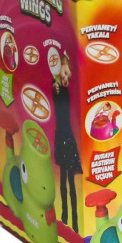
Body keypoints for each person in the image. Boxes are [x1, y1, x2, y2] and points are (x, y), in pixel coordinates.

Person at [52, 52, 82, 233]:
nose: (66, 76)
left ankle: (75, 222)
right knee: (64, 181)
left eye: (68, 73)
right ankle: (64, 217)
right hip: (62, 136)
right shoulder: (57, 88)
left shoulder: (68, 89)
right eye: (64, 72)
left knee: (71, 182)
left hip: (68, 137)